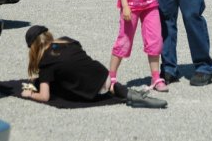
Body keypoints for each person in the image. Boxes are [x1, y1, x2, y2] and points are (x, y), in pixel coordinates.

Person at [22, 25, 167, 109]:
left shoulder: (46, 63)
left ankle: (128, 94)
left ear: (33, 48)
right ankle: (127, 93)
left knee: (50, 86)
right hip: (105, 76)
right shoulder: (67, 41)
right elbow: (78, 63)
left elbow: (45, 96)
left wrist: (30, 94)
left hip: (92, 93)